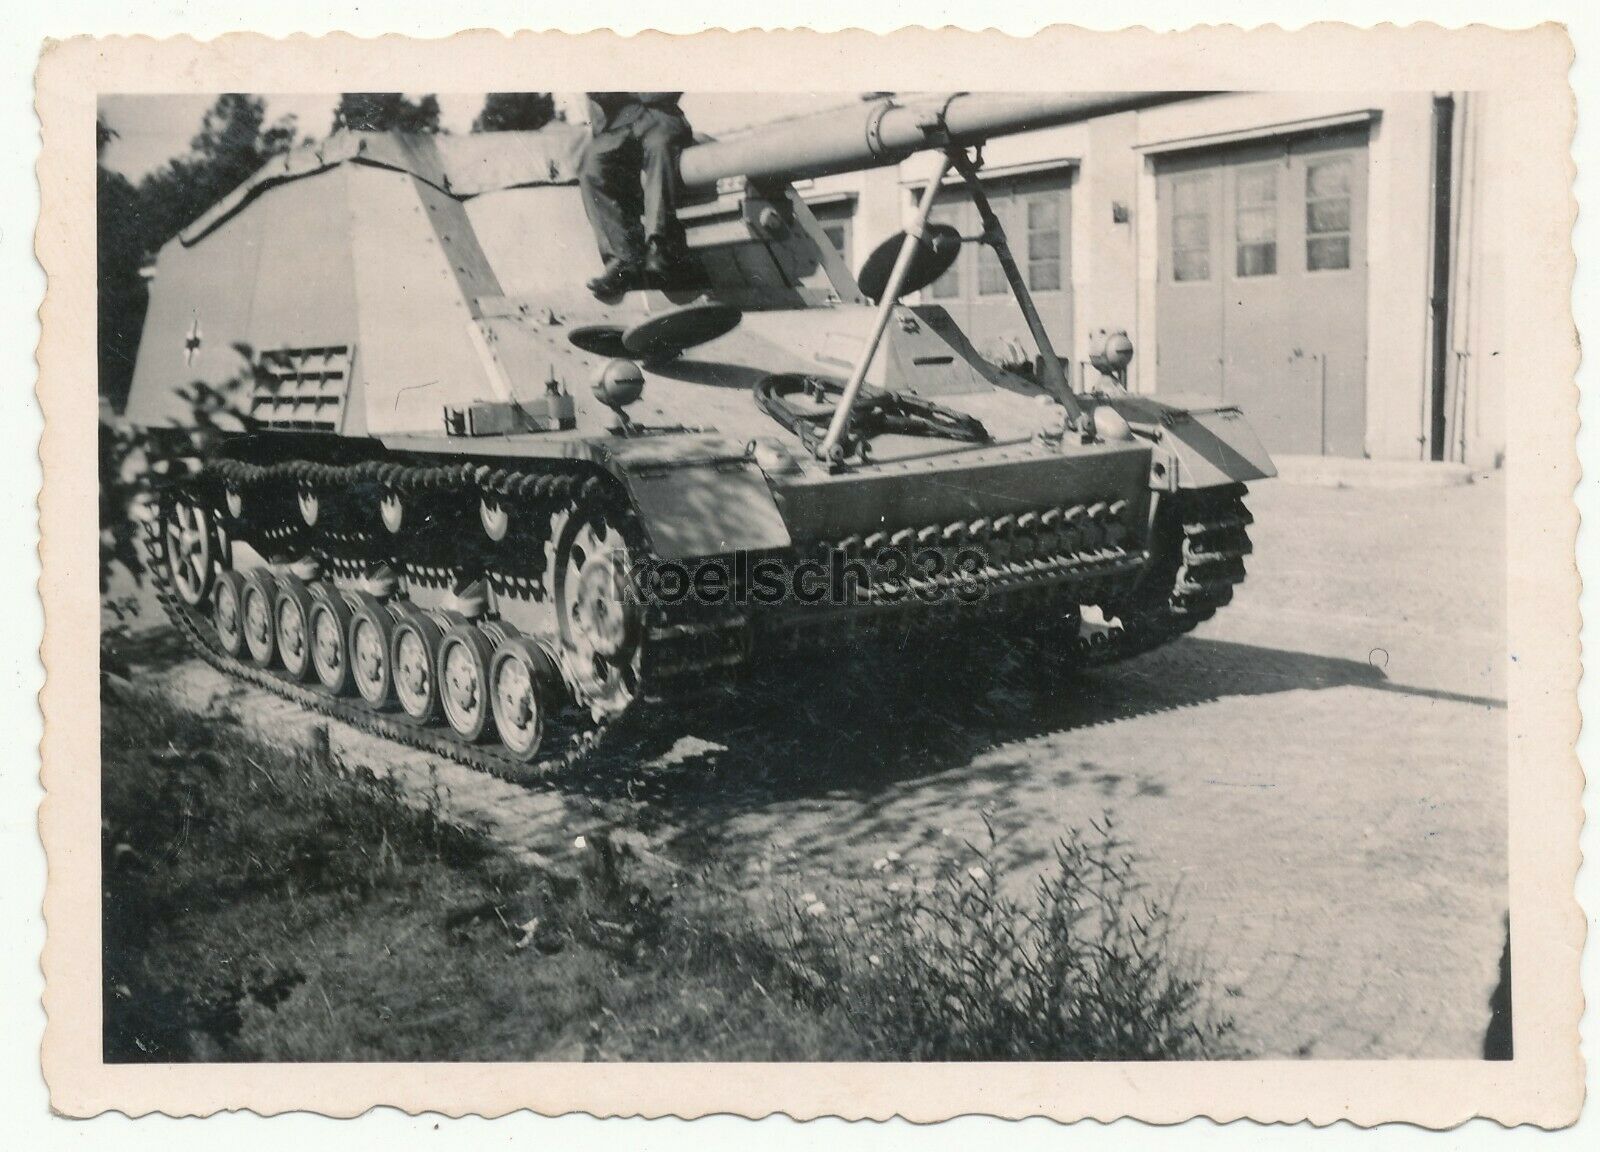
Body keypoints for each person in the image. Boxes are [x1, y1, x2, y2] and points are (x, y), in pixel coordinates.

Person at [578, 92, 696, 296]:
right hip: (618, 126)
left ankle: (659, 247)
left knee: (659, 150)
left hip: (659, 118)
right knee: (592, 169)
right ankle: (622, 261)